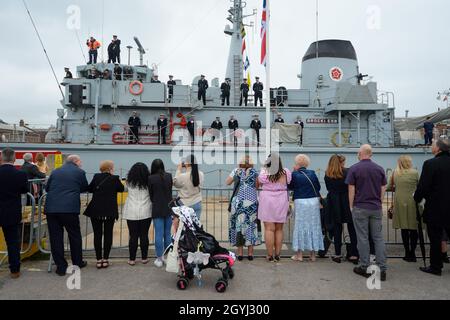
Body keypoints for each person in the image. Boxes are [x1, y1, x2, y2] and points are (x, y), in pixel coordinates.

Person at [346, 144, 387, 281]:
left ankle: (364, 266)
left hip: (360, 207)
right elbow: (383, 187)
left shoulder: (354, 168)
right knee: (378, 238)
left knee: (362, 238)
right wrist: (379, 202)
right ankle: (382, 269)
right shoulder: (379, 168)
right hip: (375, 207)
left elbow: (351, 189)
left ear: (360, 153)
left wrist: (351, 206)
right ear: (371, 154)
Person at [45, 155, 89, 276]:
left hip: (52, 209)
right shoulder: (80, 172)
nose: (81, 163)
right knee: (74, 235)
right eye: (80, 161)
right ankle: (77, 262)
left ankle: (61, 266)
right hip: (69, 208)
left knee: (55, 238)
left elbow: (47, 188)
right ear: (75, 161)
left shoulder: (55, 171)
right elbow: (85, 187)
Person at [414, 138, 450, 276]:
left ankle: (436, 266)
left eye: (433, 145)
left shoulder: (430, 164)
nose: (431, 147)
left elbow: (423, 186)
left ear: (438, 149)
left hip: (436, 208)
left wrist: (417, 198)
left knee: (435, 238)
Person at [84, 160, 124, 269]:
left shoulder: (96, 177)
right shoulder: (115, 178)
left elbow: (90, 188)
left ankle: (98, 259)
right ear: (110, 168)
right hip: (109, 211)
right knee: (108, 234)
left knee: (97, 234)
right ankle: (105, 259)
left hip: (96, 210)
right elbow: (121, 189)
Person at [289, 154, 324, 262]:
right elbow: (318, 187)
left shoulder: (294, 174)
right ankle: (312, 255)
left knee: (300, 226)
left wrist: (292, 172)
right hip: (313, 202)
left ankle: (299, 255)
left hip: (300, 201)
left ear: (297, 164)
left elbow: (290, 187)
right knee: (313, 226)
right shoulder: (312, 173)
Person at [226, 155, 262, 261]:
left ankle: (240, 254)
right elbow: (257, 186)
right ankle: (250, 254)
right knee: (251, 225)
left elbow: (227, 182)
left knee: (239, 226)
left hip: (238, 203)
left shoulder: (236, 171)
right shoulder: (255, 172)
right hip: (251, 202)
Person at [324, 155, 358, 264]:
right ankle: (353, 254)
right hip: (347, 201)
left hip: (334, 202)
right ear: (341, 162)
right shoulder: (348, 172)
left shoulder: (327, 174)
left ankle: (337, 254)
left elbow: (329, 188)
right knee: (351, 228)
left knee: (337, 228)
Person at [258, 153, 292, 262]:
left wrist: (264, 166)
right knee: (279, 229)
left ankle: (270, 255)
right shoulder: (286, 172)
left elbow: (260, 181)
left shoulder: (265, 172)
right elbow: (289, 181)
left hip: (267, 199)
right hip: (281, 199)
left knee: (269, 228)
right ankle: (278, 254)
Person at [0, 148, 28, 279]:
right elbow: (24, 190)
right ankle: (14, 270)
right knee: (12, 242)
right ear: (14, 159)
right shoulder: (20, 175)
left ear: (2, 158)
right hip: (11, 211)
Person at [387, 155, 419, 262]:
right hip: (413, 202)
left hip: (400, 202)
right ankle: (413, 253)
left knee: (404, 228)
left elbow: (388, 187)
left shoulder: (395, 173)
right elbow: (420, 186)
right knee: (414, 228)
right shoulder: (415, 173)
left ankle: (407, 253)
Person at [122, 163, 152, 266]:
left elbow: (123, 189)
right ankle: (144, 258)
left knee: (133, 235)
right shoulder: (148, 182)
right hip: (146, 211)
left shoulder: (128, 182)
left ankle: (132, 259)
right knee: (144, 234)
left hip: (131, 211)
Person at [148, 159, 173, 268]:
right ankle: (168, 258)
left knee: (158, 233)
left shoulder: (150, 178)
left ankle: (159, 258)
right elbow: (170, 191)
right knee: (167, 233)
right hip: (168, 208)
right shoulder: (169, 176)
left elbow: (151, 195)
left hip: (157, 208)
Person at [173, 155, 204, 219]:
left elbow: (175, 183)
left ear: (187, 163)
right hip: (197, 202)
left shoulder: (182, 176)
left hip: (185, 204)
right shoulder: (201, 174)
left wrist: (178, 170)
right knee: (196, 226)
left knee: (185, 227)